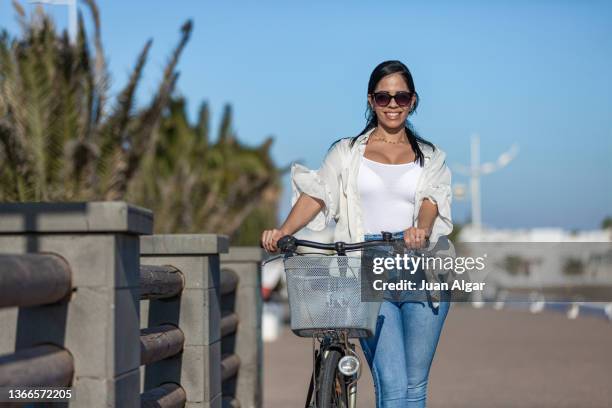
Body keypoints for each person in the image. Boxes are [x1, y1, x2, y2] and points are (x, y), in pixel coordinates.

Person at [261, 60, 453, 407]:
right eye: (384, 97)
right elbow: (317, 194)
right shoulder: (347, 153)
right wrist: (283, 230)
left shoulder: (430, 157)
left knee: (414, 387)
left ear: (412, 101)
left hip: (421, 269)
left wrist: (421, 231)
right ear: (370, 100)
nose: (392, 104)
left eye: (401, 97)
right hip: (368, 264)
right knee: (393, 385)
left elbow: (432, 201)